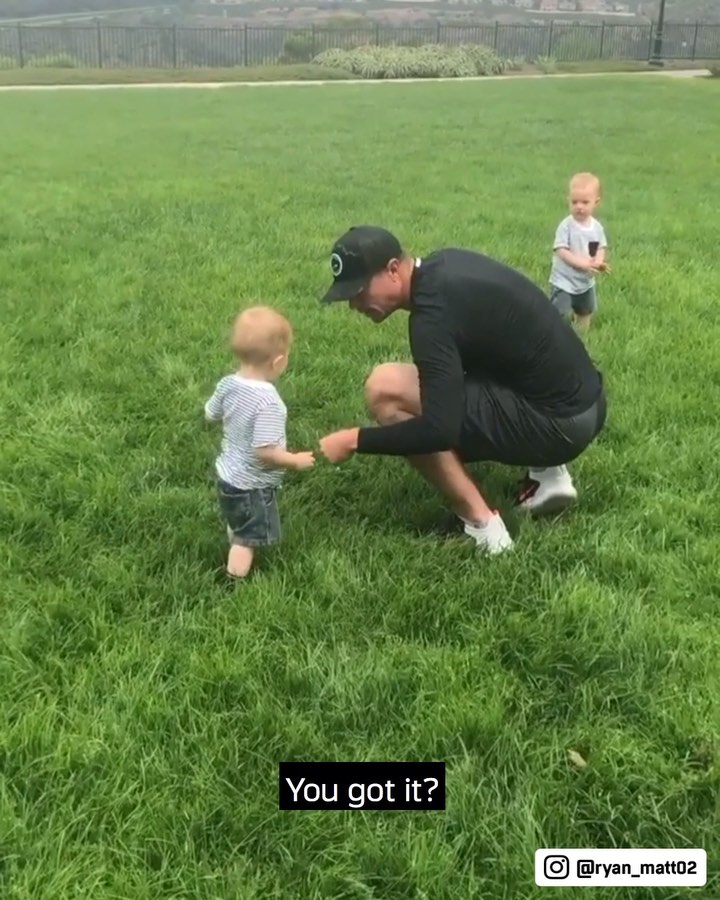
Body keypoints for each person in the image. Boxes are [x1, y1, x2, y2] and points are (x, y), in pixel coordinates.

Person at [317, 225, 607, 555]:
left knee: (386, 389)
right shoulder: (446, 266)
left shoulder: (431, 316)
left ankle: (485, 530)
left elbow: (439, 430)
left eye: (359, 291)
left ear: (393, 270)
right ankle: (549, 474)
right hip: (588, 403)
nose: (354, 305)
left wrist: (354, 440)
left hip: (560, 425)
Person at [204, 306, 315, 579]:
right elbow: (265, 452)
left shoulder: (228, 384)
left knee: (238, 521)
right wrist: (294, 460)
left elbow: (210, 413)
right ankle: (234, 580)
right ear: (278, 362)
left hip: (227, 475)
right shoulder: (268, 402)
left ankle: (236, 537)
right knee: (247, 539)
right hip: (251, 486)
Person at [549, 172, 610, 331]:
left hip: (585, 281)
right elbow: (561, 250)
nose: (579, 206)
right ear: (568, 200)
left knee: (585, 309)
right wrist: (582, 263)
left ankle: (582, 333)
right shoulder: (566, 226)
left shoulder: (596, 228)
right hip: (564, 280)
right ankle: (556, 332)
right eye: (574, 202)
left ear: (596, 202)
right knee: (559, 311)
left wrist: (598, 262)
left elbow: (600, 247)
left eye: (585, 202)